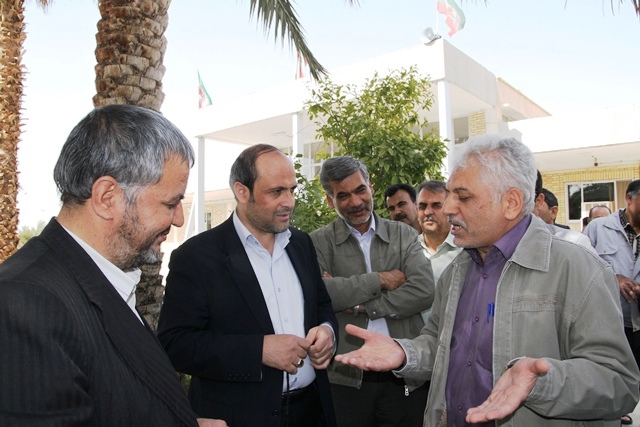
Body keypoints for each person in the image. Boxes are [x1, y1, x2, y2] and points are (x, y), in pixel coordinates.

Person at [334, 136, 640, 426]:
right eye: (450, 194)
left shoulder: (577, 268)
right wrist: (404, 353)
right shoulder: (457, 271)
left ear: (511, 203)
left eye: (463, 196)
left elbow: (619, 382)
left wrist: (540, 383)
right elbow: (439, 345)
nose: (449, 208)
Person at [0, 105, 225, 426]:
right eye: (171, 203)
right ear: (107, 197)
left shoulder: (101, 276)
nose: (178, 219)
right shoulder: (24, 304)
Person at [157, 144, 338, 427]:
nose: (289, 202)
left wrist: (327, 332)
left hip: (311, 412)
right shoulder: (196, 257)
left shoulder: (301, 244)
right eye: (276, 192)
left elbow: (322, 304)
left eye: (292, 190)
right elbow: (176, 344)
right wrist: (259, 351)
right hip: (240, 418)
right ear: (242, 192)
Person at [310, 156, 434, 426]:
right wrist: (380, 279)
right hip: (346, 375)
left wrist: (361, 306)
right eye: (343, 195)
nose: (355, 202)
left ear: (371, 187)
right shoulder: (317, 242)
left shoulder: (403, 235)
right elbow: (322, 294)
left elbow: (424, 290)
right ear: (330, 201)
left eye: (360, 190)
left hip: (403, 371)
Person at [584, 180, 640, 426]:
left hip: (637, 324)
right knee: (609, 382)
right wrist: (613, 277)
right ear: (629, 198)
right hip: (607, 323)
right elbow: (581, 265)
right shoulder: (598, 228)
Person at [415, 180, 461, 323]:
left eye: (436, 205)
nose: (428, 212)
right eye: (422, 206)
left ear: (450, 208)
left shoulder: (466, 251)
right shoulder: (407, 250)